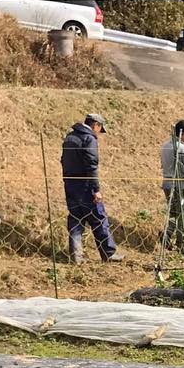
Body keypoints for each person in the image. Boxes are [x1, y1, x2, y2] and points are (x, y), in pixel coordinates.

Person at [61, 113, 122, 264]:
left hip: (70, 183)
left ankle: (76, 256)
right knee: (98, 218)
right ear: (96, 125)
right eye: (100, 130)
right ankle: (108, 253)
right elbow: (92, 165)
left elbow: (63, 161)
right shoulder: (89, 139)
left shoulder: (70, 137)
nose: (99, 134)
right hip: (86, 185)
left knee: (76, 218)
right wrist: (96, 190)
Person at [158, 119, 184, 264]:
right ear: (183, 135)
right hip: (181, 186)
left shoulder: (165, 146)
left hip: (167, 184)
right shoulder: (183, 149)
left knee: (173, 213)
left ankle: (166, 237)